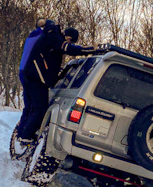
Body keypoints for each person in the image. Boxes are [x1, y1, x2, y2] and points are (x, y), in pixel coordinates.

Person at [14, 20, 96, 148]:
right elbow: (68, 49)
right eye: (69, 40)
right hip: (36, 78)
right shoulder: (54, 37)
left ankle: (21, 134)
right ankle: (26, 137)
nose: (69, 43)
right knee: (40, 108)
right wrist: (91, 49)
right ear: (66, 36)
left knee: (30, 107)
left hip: (32, 75)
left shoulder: (51, 37)